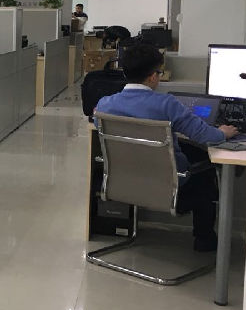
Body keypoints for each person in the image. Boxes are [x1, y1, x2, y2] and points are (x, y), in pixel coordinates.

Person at [95, 44, 238, 251]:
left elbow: (96, 120)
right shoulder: (167, 104)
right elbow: (206, 135)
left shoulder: (105, 105)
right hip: (169, 187)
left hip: (122, 183)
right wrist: (223, 132)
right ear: (153, 77)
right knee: (206, 169)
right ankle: (204, 240)